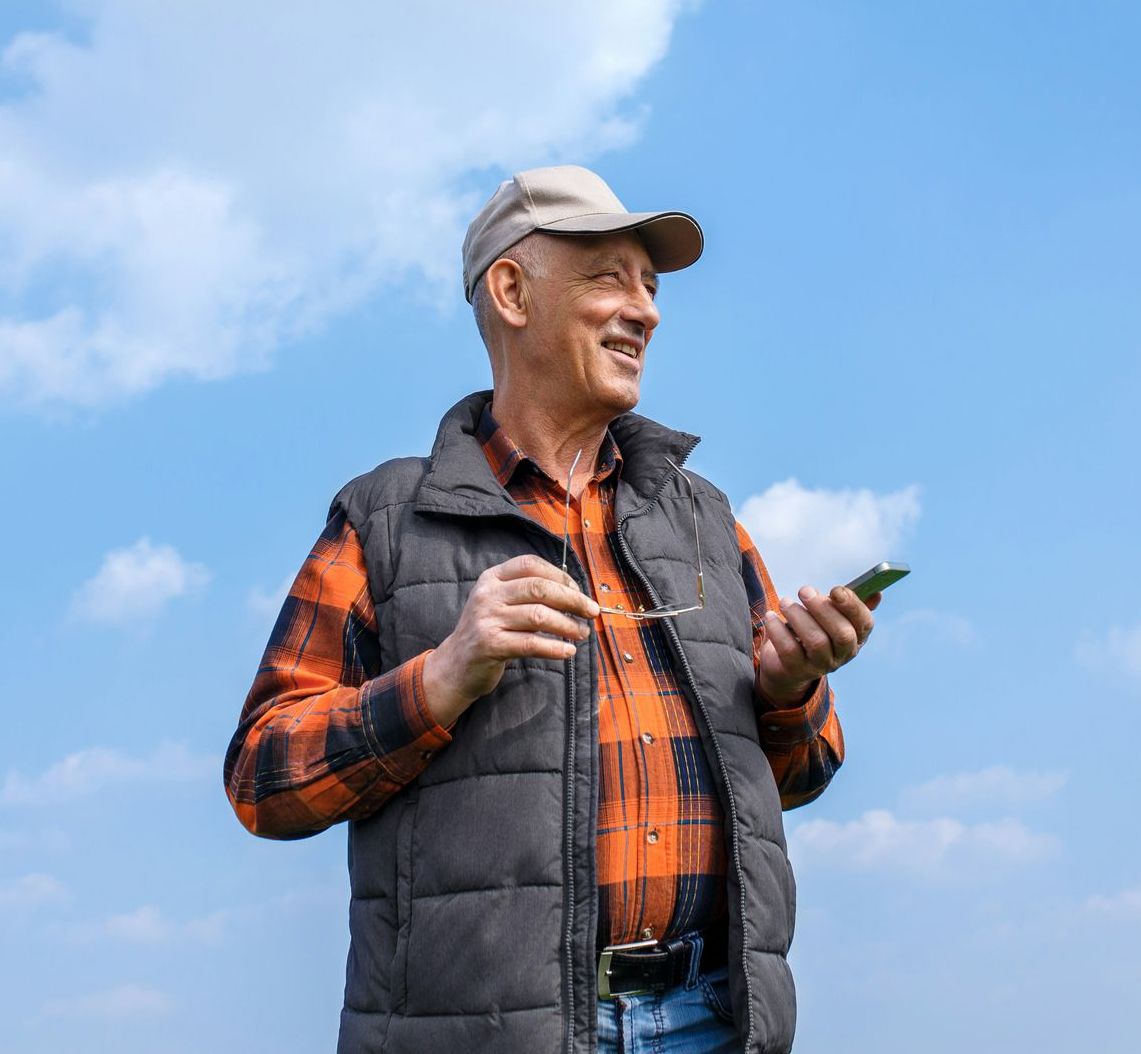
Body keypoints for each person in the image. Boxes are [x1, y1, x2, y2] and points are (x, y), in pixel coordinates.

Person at [224, 165, 879, 1054]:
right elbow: (264, 780)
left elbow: (801, 775)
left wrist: (789, 692)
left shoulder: (705, 521)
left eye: (649, 288)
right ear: (510, 291)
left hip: (713, 1022)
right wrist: (440, 679)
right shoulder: (383, 521)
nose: (646, 311)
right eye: (609, 277)